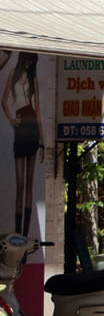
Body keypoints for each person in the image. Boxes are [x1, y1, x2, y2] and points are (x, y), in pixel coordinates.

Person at [3, 52, 42, 235]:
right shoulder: (13, 73)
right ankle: (18, 231)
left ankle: (25, 234)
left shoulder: (34, 78)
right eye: (27, 59)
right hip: (20, 124)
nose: (29, 63)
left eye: (32, 61)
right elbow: (4, 101)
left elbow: (39, 109)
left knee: (28, 184)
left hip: (31, 123)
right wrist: (11, 118)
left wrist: (42, 140)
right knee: (20, 184)